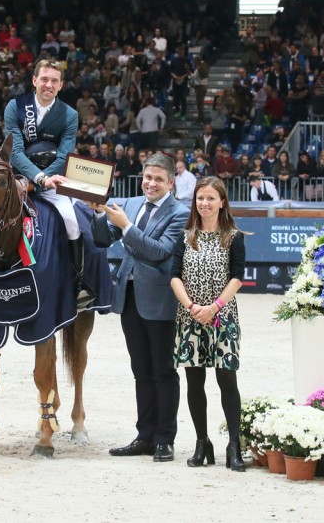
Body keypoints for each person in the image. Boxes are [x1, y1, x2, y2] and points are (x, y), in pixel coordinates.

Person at [0, 58, 93, 308]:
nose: (48, 84)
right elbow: (15, 152)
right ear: (34, 81)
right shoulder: (15, 106)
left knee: (72, 222)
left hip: (53, 181)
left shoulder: (69, 115)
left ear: (60, 85)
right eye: (44, 79)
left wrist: (43, 181)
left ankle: (77, 283)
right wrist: (34, 178)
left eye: (54, 81)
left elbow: (65, 155)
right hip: (15, 180)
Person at [90, 154, 190, 462]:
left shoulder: (181, 213)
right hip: (129, 297)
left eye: (159, 179)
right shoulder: (130, 203)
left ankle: (164, 439)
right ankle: (144, 435)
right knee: (141, 370)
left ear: (171, 182)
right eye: (148, 177)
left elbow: (160, 252)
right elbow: (103, 238)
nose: (152, 183)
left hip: (161, 301)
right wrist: (98, 215)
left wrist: (127, 226)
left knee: (163, 371)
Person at [170, 176, 247, 471]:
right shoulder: (185, 235)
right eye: (200, 198)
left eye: (211, 198)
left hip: (222, 317)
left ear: (222, 202)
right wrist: (192, 306)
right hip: (190, 318)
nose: (205, 203)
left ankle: (233, 445)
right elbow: (174, 276)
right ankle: (202, 442)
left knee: (227, 380)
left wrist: (214, 307)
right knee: (194, 382)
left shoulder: (234, 237)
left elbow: (237, 277)